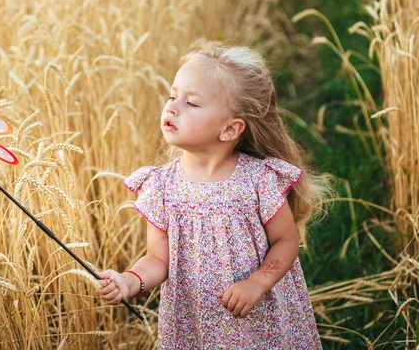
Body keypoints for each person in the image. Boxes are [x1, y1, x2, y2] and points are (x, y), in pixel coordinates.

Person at [96, 42, 330, 349]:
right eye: (172, 95)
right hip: (195, 322)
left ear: (230, 129)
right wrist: (129, 281)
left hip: (258, 317)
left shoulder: (258, 180)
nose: (172, 107)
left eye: (191, 103)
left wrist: (257, 283)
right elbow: (157, 258)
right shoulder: (162, 186)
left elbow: (285, 241)